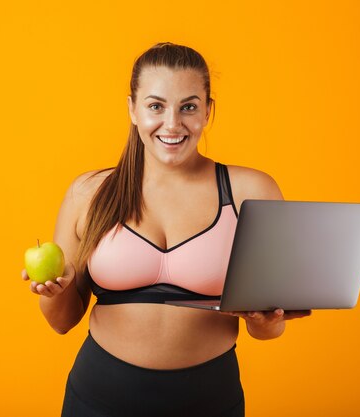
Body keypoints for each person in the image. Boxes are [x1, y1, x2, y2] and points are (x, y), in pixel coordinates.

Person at [22, 42, 312, 417]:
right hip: (99, 398)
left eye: (188, 106)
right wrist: (53, 291)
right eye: (155, 106)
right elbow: (61, 322)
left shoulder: (251, 192)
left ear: (208, 110)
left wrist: (266, 319)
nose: (172, 124)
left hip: (210, 401)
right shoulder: (89, 193)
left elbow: (268, 332)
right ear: (132, 109)